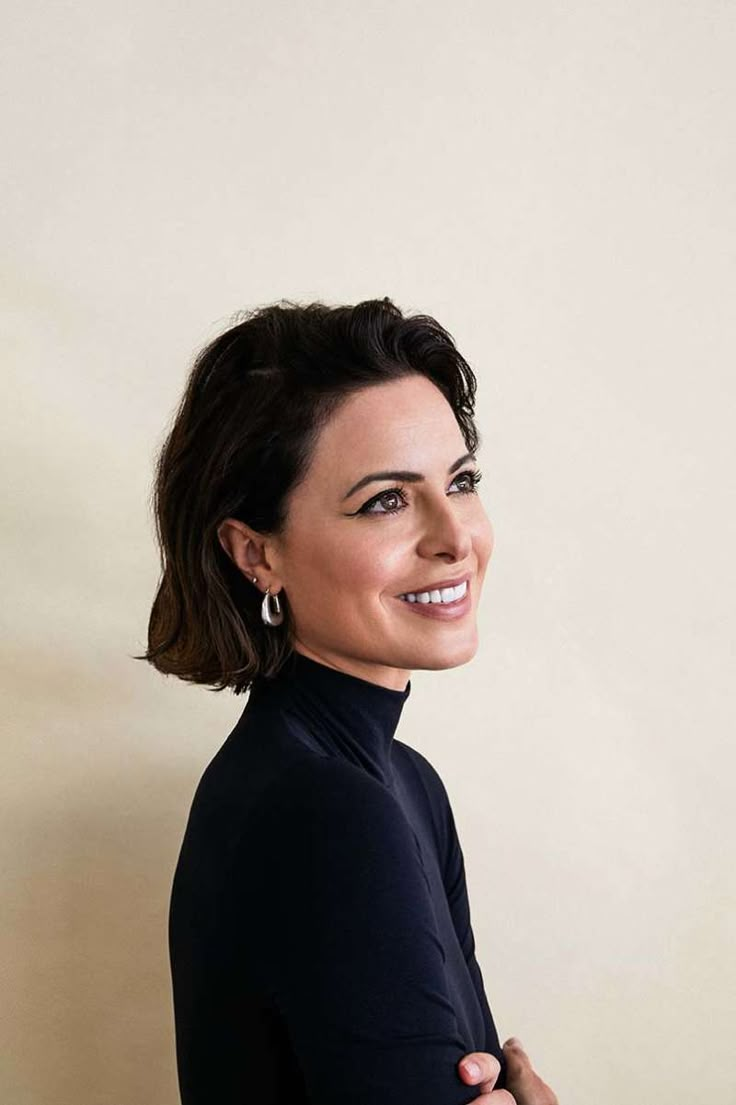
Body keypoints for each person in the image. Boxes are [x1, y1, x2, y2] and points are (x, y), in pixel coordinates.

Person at [137, 297, 558, 1104]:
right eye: (385, 500)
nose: (454, 535)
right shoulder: (324, 807)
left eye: (460, 481)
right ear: (256, 553)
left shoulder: (403, 784)